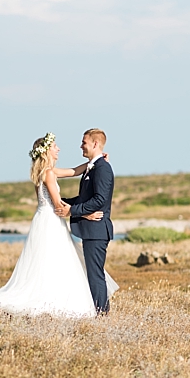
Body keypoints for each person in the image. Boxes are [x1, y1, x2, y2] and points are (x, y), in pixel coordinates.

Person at [0, 132, 118, 318]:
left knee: (51, 260)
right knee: (53, 260)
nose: (59, 149)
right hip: (50, 220)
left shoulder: (48, 172)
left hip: (46, 218)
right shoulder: (48, 173)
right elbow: (58, 205)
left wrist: (95, 162)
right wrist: (86, 214)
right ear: (47, 151)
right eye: (55, 146)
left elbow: (74, 171)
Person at [56, 128, 115, 315]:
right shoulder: (93, 166)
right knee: (91, 272)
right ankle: (97, 310)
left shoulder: (103, 169)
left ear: (95, 144)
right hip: (90, 229)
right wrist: (61, 202)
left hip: (97, 229)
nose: (81, 145)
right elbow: (84, 198)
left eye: (84, 142)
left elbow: (100, 200)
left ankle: (101, 313)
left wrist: (72, 210)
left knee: (95, 274)